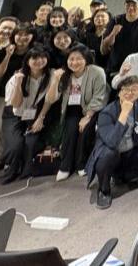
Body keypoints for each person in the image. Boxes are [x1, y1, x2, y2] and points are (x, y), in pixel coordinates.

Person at [85, 76, 138, 209]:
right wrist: (124, 113)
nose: (130, 93)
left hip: (130, 152)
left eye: (134, 89)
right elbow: (112, 142)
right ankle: (104, 191)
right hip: (112, 155)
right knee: (109, 154)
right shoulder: (106, 113)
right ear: (119, 92)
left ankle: (123, 178)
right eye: (126, 89)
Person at [46, 45, 107, 181]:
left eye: (79, 59)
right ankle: (65, 166)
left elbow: (99, 96)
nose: (74, 62)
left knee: (85, 129)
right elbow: (51, 99)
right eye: (71, 59)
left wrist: (87, 116)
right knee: (70, 129)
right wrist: (55, 80)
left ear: (86, 59)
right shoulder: (63, 74)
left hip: (92, 108)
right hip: (72, 108)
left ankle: (81, 163)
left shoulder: (97, 72)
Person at [0, 23, 36, 175]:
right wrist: (8, 55)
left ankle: (16, 159)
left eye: (26, 34)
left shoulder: (35, 52)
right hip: (6, 95)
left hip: (28, 95)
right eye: (19, 34)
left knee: (22, 127)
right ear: (14, 36)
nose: (22, 38)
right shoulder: (4, 51)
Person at [1, 47, 55, 184]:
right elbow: (15, 103)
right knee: (15, 145)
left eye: (42, 57)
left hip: (34, 114)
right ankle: (11, 169)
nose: (39, 61)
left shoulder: (50, 75)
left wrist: (40, 118)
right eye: (34, 58)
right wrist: (18, 84)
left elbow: (49, 100)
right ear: (27, 61)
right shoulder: (17, 77)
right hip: (14, 114)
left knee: (31, 143)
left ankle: (26, 169)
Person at [102, 0, 138, 79]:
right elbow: (104, 47)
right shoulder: (116, 20)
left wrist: (131, 63)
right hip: (114, 68)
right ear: (124, 5)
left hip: (135, 69)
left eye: (134, 5)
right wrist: (113, 34)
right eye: (128, 5)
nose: (131, 8)